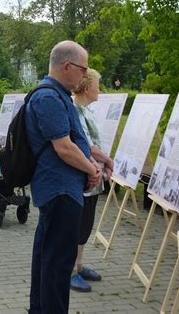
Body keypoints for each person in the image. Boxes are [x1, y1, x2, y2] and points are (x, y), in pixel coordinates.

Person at [26, 40, 102, 313]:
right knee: (57, 265)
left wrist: (89, 162)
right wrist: (91, 169)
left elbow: (74, 143)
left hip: (63, 191)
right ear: (67, 66)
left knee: (49, 258)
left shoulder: (58, 95)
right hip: (60, 192)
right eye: (83, 69)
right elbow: (64, 147)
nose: (85, 75)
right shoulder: (48, 97)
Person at [71, 68, 114, 292]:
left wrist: (103, 162)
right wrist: (107, 159)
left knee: (86, 224)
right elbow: (86, 145)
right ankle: (69, 271)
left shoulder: (85, 110)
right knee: (78, 224)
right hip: (84, 178)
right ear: (87, 89)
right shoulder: (76, 111)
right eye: (98, 85)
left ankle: (79, 266)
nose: (100, 90)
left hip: (93, 177)